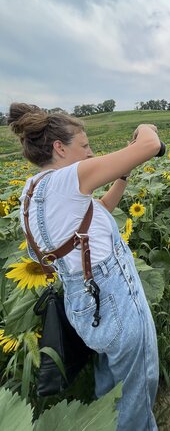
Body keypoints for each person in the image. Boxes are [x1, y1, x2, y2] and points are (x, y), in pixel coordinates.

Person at [8, 102, 161, 431]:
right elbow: (149, 145)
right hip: (115, 300)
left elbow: (97, 212)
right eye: (85, 145)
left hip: (83, 305)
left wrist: (122, 175)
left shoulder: (32, 191)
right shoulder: (68, 180)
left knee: (110, 383)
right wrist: (146, 130)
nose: (91, 153)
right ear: (60, 148)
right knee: (136, 395)